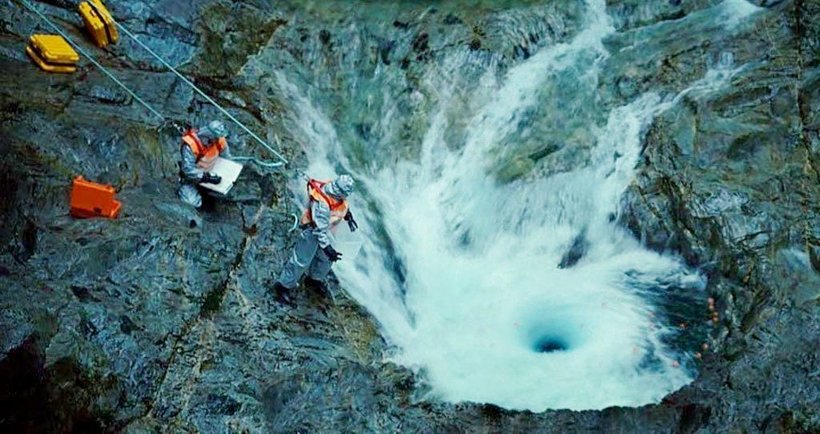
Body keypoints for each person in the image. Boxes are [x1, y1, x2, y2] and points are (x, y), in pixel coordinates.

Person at [272, 175, 358, 306]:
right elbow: (319, 229)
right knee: (300, 261)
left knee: (325, 259)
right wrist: (327, 247)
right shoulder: (322, 204)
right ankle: (283, 286)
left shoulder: (336, 195)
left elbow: (340, 206)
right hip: (312, 232)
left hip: (328, 231)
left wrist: (348, 216)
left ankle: (314, 279)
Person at [178, 120, 232, 208]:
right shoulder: (190, 145)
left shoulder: (220, 141)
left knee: (226, 195)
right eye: (215, 137)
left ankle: (211, 195)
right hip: (193, 179)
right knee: (191, 202)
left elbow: (227, 159)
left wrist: (227, 174)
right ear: (209, 135)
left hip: (214, 175)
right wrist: (207, 177)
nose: (217, 139)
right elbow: (188, 170)